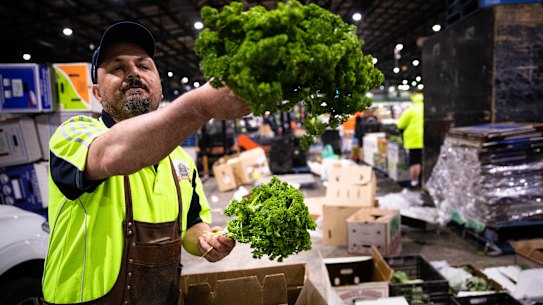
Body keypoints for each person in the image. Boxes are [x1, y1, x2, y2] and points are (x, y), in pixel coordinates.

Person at [41, 21, 250, 305]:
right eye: (117, 68)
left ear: (160, 88)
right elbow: (111, 154)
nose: (133, 73)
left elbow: (192, 225)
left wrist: (204, 241)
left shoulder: (182, 162)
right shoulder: (74, 135)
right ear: (97, 93)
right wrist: (202, 105)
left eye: (144, 65)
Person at [397, 92, 424, 188]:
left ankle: (414, 182)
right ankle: (423, 181)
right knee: (423, 161)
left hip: (414, 140)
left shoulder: (411, 110)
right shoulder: (427, 108)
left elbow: (400, 125)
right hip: (426, 139)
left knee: (414, 162)